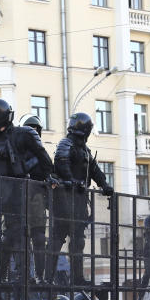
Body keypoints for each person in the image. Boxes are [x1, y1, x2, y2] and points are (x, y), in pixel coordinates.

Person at [0, 98, 54, 284]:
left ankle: (14, 275)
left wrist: (49, 176)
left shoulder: (22, 134)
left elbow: (42, 156)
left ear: (0, 115)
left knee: (15, 235)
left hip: (16, 191)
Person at [48, 113, 114, 286]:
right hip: (64, 199)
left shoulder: (85, 150)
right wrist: (71, 180)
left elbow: (94, 169)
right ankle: (47, 278)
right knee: (57, 240)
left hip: (78, 200)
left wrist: (104, 184)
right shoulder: (65, 143)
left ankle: (77, 278)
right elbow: (61, 163)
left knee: (78, 241)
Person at [18, 113, 53, 283]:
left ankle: (40, 275)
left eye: (35, 130)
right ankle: (23, 275)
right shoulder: (15, 150)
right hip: (17, 199)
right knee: (18, 239)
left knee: (39, 239)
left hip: (37, 198)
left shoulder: (42, 154)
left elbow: (50, 174)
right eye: (30, 129)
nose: (33, 132)